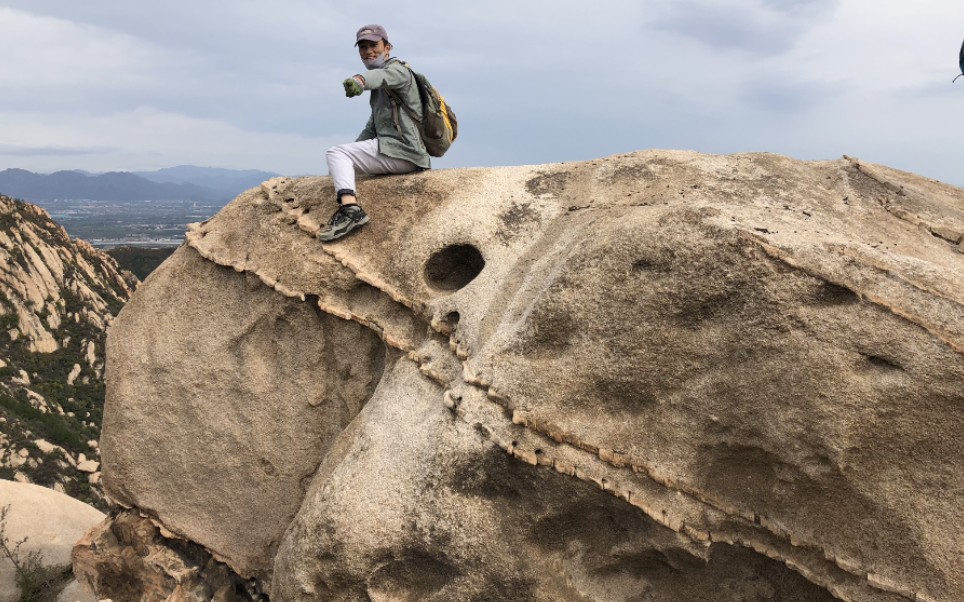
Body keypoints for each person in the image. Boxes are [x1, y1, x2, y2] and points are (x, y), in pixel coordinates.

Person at [318, 24, 430, 242]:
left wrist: (360, 80)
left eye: (374, 45)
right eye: (363, 47)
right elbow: (371, 129)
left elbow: (381, 76)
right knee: (339, 163)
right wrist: (346, 161)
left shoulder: (399, 71)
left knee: (335, 152)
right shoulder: (384, 93)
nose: (369, 51)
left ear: (387, 47)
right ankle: (346, 196)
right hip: (396, 152)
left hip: (403, 151)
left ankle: (351, 211)